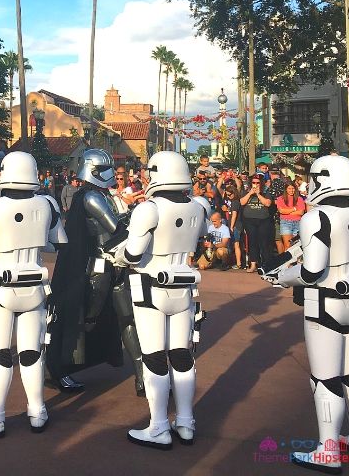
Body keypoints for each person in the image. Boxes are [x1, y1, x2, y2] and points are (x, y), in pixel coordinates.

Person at [261, 156, 349, 473]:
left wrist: (281, 278)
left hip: (324, 301)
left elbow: (311, 272)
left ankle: (328, 450)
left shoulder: (317, 217)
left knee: (325, 378)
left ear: (323, 179)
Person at [0, 151, 67, 437]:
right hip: (36, 287)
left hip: (0, 287)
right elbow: (58, 242)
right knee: (32, 352)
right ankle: (37, 410)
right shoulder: (49, 204)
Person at [115, 151, 206, 448]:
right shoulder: (199, 207)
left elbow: (132, 254)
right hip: (183, 288)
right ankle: (186, 422)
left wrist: (118, 255)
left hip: (149, 286)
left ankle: (158, 426)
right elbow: (202, 238)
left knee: (154, 357)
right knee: (181, 355)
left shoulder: (149, 208)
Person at [47, 149, 145, 396]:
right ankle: (58, 368)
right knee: (83, 321)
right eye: (103, 169)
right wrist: (141, 214)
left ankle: (143, 375)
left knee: (126, 318)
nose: (110, 174)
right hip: (97, 267)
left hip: (115, 264)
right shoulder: (91, 197)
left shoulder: (99, 195)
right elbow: (116, 228)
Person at [240, 174, 273, 273]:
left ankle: (265, 265)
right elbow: (242, 202)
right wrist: (250, 193)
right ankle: (253, 264)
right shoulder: (246, 191)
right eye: (253, 183)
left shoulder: (266, 192)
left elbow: (267, 203)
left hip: (263, 220)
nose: (255, 184)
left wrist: (258, 194)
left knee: (263, 243)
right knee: (252, 242)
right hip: (249, 220)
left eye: (257, 183)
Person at [276, 182, 305, 250]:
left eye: (293, 188)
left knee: (296, 245)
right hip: (285, 223)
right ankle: (288, 260)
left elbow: (301, 212)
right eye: (289, 188)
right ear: (286, 189)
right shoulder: (281, 199)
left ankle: (295, 260)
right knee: (287, 245)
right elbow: (281, 211)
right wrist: (294, 209)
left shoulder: (299, 199)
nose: (291, 190)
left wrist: (287, 212)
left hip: (297, 222)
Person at [221, 185, 244, 269]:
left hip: (236, 226)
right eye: (227, 195)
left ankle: (238, 263)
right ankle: (238, 262)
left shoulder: (235, 202)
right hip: (236, 225)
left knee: (236, 244)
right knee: (235, 244)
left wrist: (231, 226)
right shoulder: (235, 202)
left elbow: (234, 215)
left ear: (234, 193)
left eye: (230, 194)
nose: (228, 196)